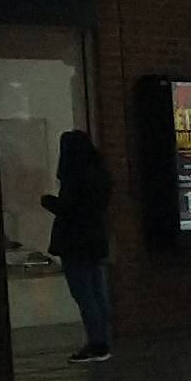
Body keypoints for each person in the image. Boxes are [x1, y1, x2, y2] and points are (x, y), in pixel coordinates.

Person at [44, 128, 113, 361]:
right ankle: (102, 341)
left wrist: (49, 202)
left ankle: (96, 344)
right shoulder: (100, 175)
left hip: (74, 242)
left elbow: (69, 210)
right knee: (96, 293)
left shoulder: (74, 176)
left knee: (84, 295)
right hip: (95, 239)